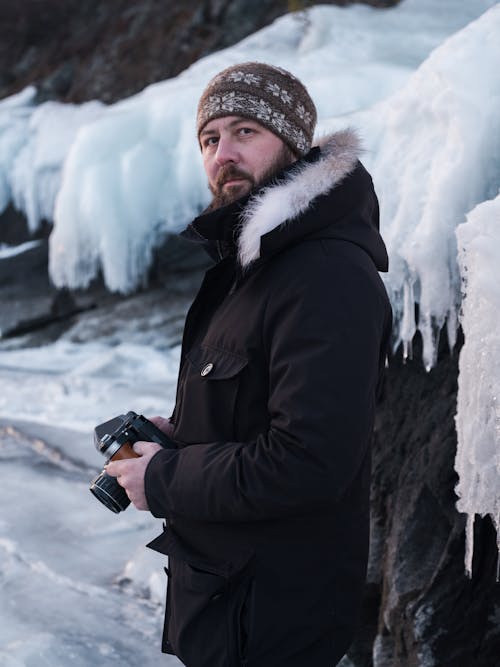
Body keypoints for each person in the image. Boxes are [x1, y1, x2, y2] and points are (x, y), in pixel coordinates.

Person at [106, 62, 392, 667]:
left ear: (290, 143)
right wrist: (175, 437)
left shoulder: (325, 275)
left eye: (243, 132)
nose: (223, 154)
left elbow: (310, 462)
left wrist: (163, 477)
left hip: (274, 617)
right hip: (227, 601)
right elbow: (254, 415)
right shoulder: (256, 270)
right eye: (210, 139)